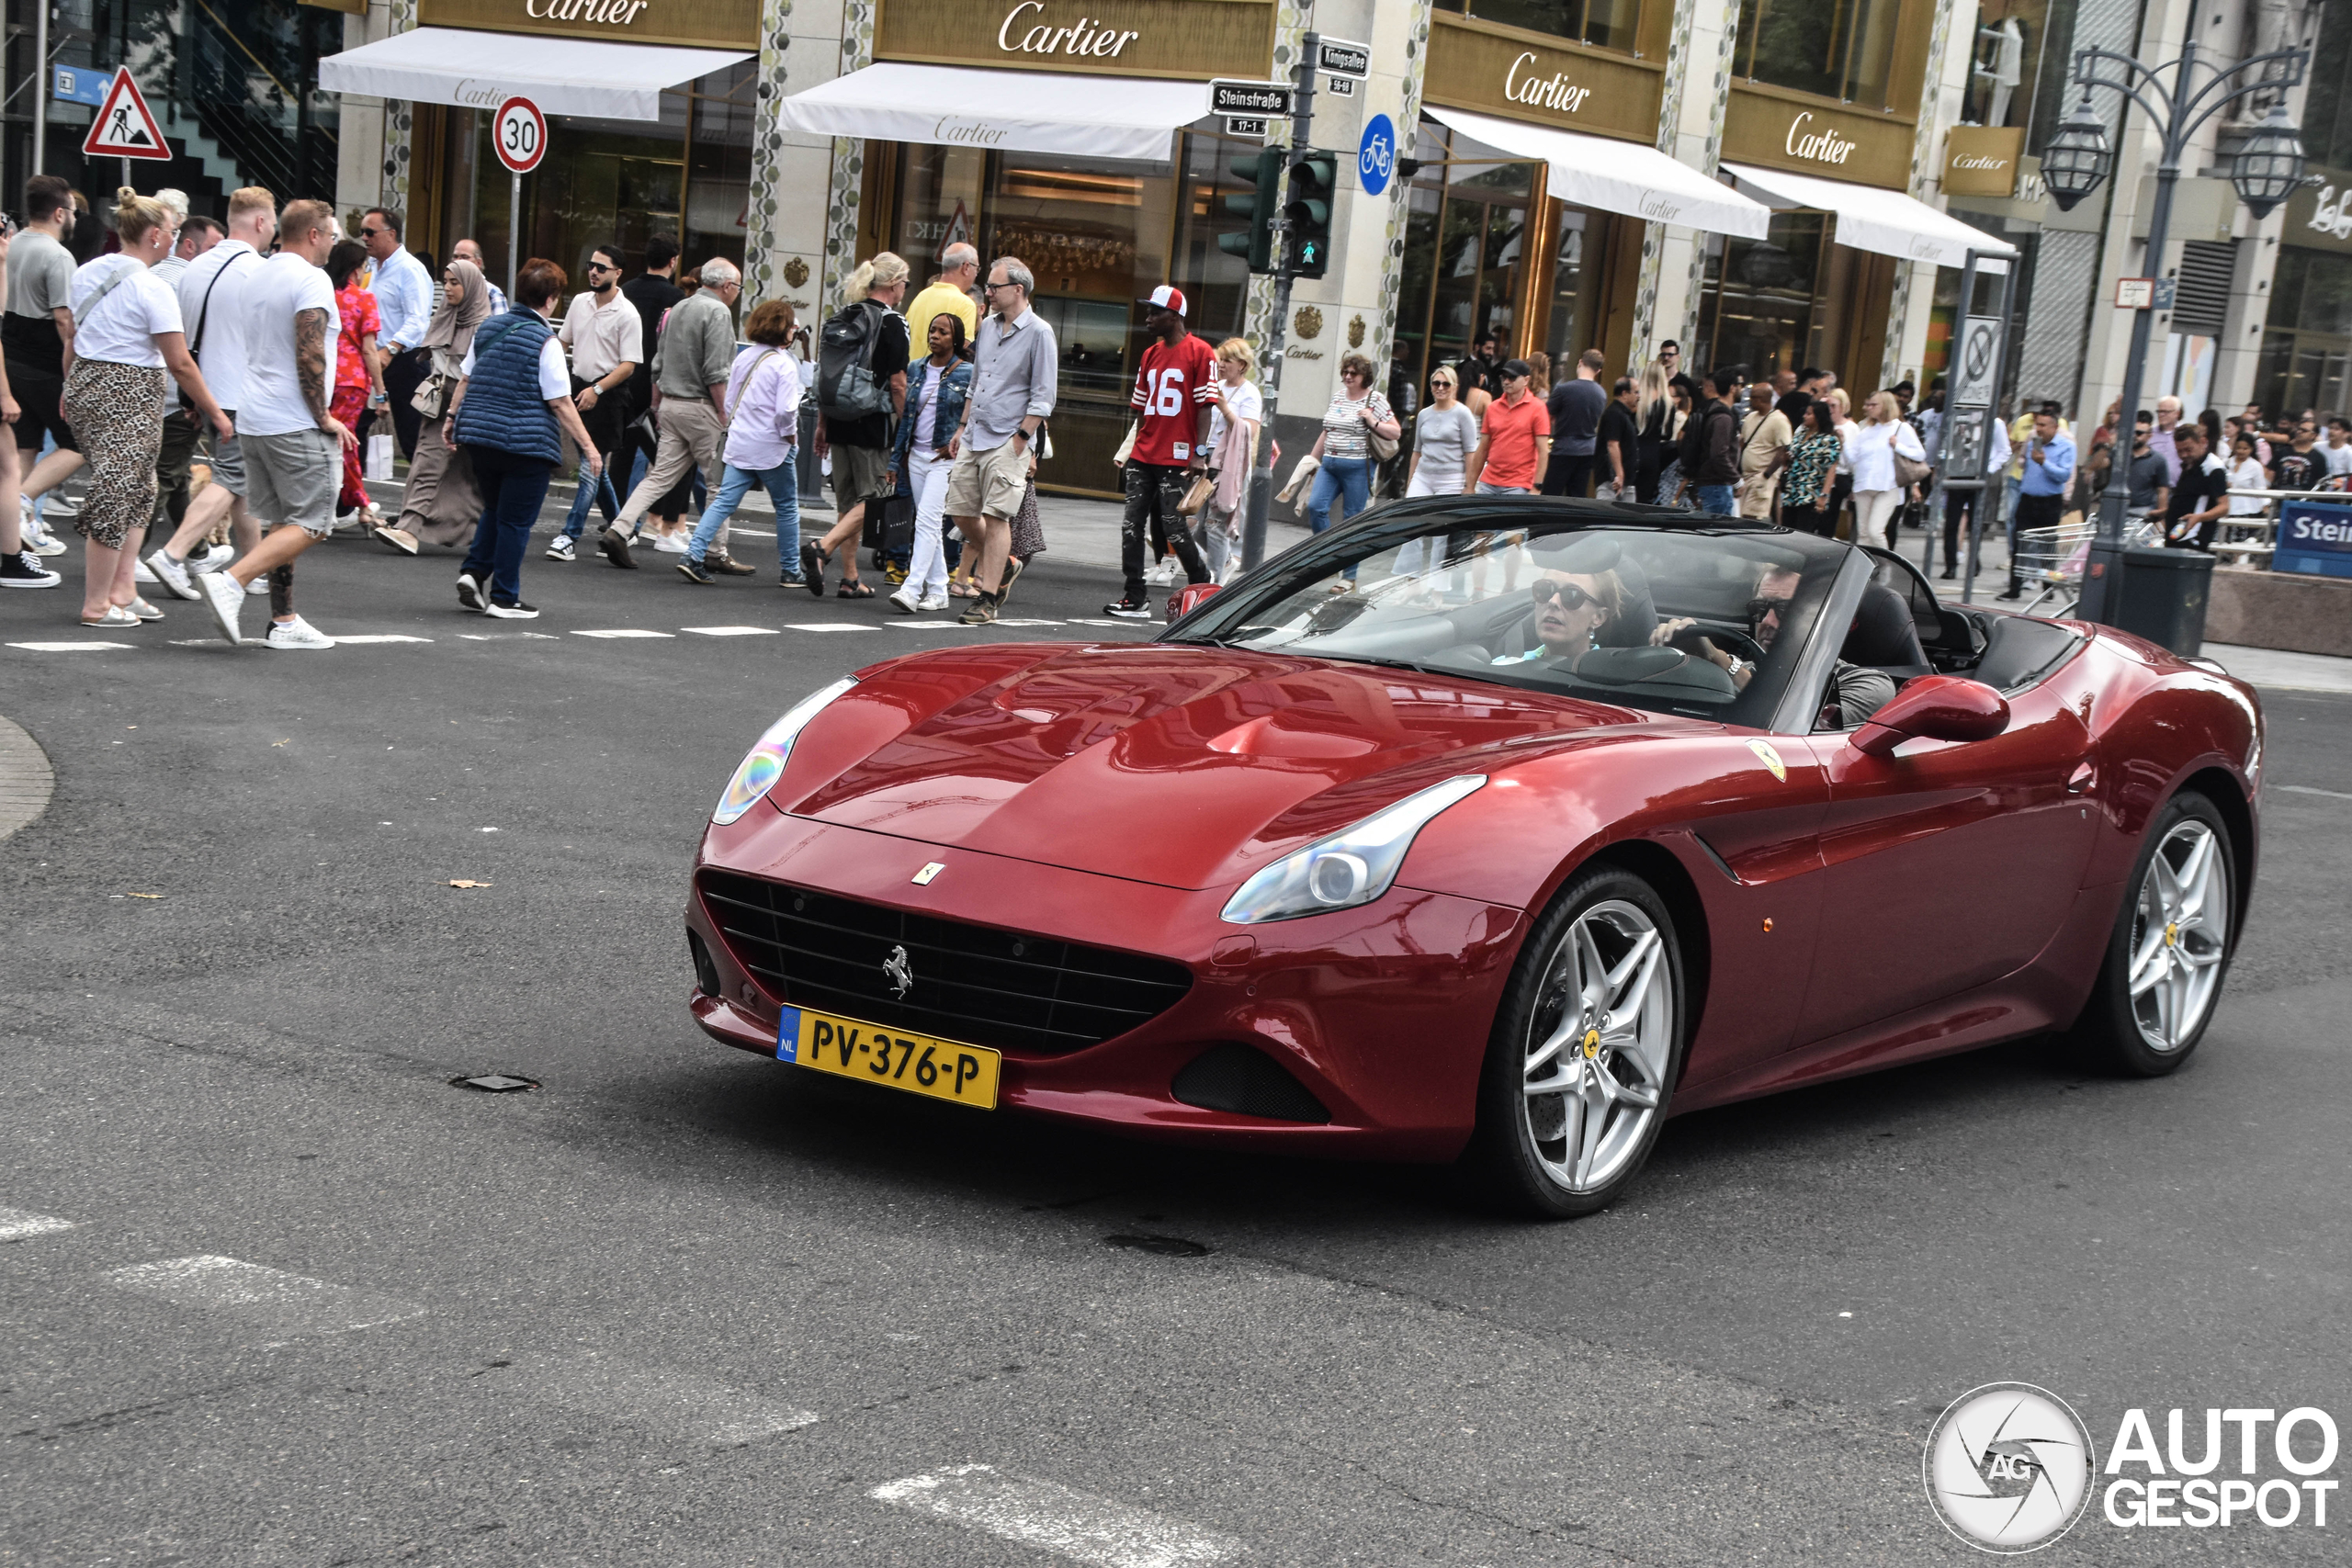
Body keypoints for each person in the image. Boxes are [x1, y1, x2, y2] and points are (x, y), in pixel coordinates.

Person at [60, 189, 232, 629]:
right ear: (155, 234)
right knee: (120, 492)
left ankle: (122, 590)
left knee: (139, 489)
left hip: (87, 382)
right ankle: (98, 602)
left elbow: (74, 337)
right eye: (172, 232)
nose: (174, 240)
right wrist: (214, 410)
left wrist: (69, 385)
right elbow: (179, 362)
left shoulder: (88, 272)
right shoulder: (151, 287)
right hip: (132, 391)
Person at [193, 198, 352, 649]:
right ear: (314, 235)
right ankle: (232, 581)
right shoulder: (311, 278)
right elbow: (310, 352)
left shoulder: (258, 272)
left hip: (255, 415)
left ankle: (284, 621)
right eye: (332, 235)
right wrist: (322, 415)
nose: (334, 244)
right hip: (294, 418)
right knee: (316, 522)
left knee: (286, 521)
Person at [435, 258, 603, 620]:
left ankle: (474, 571)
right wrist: (588, 447)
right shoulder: (547, 341)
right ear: (551, 299)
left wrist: (451, 418)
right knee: (515, 521)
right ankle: (504, 597)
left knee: (495, 509)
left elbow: (466, 379)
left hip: (480, 437)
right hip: (525, 444)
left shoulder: (488, 328)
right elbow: (559, 401)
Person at [142, 186, 274, 601]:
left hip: (201, 385)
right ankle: (172, 554)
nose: (271, 229)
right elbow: (266, 339)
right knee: (234, 479)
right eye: (270, 221)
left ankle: (251, 568)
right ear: (258, 222)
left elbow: (187, 335)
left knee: (241, 481)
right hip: (240, 390)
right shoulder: (258, 270)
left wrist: (192, 398)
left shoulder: (193, 267)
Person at [603, 255, 744, 570]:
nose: (737, 292)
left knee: (659, 477)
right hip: (702, 407)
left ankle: (619, 528)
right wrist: (724, 414)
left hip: (669, 404)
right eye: (737, 286)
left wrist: (656, 404)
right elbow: (716, 372)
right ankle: (715, 551)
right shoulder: (718, 312)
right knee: (718, 483)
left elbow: (658, 363)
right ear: (726, 286)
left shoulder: (679, 307)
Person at [945, 255, 1056, 626]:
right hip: (976, 433)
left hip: (1009, 439)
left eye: (994, 287)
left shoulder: (1040, 332)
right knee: (960, 511)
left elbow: (1044, 396)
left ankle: (987, 598)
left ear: (1018, 290)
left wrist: (1022, 438)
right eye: (989, 286)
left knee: (996, 517)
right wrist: (962, 427)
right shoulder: (989, 327)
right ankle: (1005, 563)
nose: (988, 293)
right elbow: (976, 382)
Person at [1653, 564, 1893, 726]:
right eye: (1759, 609)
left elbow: (1796, 723)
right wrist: (1668, 658)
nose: (1767, 621)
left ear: (1823, 618)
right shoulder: (1737, 668)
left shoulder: (1866, 684)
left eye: (1784, 610)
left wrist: (1720, 661)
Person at [801, 253, 911, 596]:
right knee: (876, 497)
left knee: (847, 501)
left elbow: (827, 375)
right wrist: (907, 425)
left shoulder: (844, 315)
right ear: (894, 284)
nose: (905, 289)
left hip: (837, 418)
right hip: (871, 421)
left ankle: (850, 578)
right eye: (905, 283)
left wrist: (822, 424)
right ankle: (824, 547)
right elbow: (897, 383)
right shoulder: (893, 322)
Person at [1106, 284, 1217, 618]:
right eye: (1149, 311)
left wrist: (1199, 453)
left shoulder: (1201, 352)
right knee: (1131, 525)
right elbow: (1140, 409)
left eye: (1156, 312)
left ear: (1175, 316)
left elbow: (1205, 406)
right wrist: (1132, 447)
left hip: (1177, 456)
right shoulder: (1149, 354)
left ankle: (1202, 582)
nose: (1149, 318)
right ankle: (1134, 596)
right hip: (1144, 453)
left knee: (1173, 526)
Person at [680, 299, 805, 589]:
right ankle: (790, 570)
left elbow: (731, 401)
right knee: (786, 506)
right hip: (772, 446)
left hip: (740, 442)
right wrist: (790, 435)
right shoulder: (784, 365)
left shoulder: (744, 357)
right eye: (792, 327)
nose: (794, 332)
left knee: (724, 502)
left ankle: (693, 554)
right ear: (783, 329)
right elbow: (786, 409)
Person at [387, 259, 492, 552]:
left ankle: (473, 531)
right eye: (445, 281)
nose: (447, 288)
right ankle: (409, 527)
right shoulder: (446, 313)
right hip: (439, 400)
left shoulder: (484, 326)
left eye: (454, 282)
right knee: (428, 461)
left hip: (469, 404)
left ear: (470, 285)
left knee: (466, 474)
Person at [548, 243, 641, 561]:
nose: (594, 271)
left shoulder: (628, 314)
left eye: (601, 268)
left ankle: (568, 535)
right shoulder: (580, 302)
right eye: (591, 265)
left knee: (590, 466)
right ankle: (621, 528)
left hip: (608, 395)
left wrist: (597, 390)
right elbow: (563, 341)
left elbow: (629, 365)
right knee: (596, 468)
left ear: (617, 273)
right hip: (578, 387)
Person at [6, 175, 89, 524]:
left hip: (11, 356)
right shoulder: (57, 256)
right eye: (73, 211)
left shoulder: (14, 243)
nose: (74, 218)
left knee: (24, 447)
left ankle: (13, 533)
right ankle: (23, 500)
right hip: (45, 363)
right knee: (79, 443)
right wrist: (75, 370)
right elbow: (63, 319)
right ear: (59, 213)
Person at [147, 209, 231, 548]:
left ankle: (195, 551)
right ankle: (130, 557)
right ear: (190, 247)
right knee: (166, 476)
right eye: (214, 249)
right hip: (177, 396)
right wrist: (210, 406)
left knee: (176, 473)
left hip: (149, 390)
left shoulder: (150, 273)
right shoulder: (191, 285)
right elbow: (189, 354)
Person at [878, 308, 968, 610]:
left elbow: (975, 416)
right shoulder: (916, 368)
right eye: (933, 330)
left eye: (943, 332)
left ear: (955, 339)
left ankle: (911, 589)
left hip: (945, 459)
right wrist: (896, 460)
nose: (935, 336)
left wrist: (959, 439)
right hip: (915, 456)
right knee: (927, 523)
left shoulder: (968, 373)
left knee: (928, 521)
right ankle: (940, 590)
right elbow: (906, 419)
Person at [323, 239, 388, 536]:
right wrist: (381, 391)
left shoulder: (323, 294)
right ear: (355, 269)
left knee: (327, 440)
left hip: (323, 377)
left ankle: (358, 505)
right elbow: (369, 350)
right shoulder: (364, 300)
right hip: (352, 381)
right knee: (344, 443)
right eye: (364, 267)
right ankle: (360, 503)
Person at [359, 208, 433, 458]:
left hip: (403, 362)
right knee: (356, 426)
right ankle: (350, 494)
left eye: (370, 232)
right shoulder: (369, 268)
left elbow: (417, 320)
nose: (365, 238)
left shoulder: (409, 269)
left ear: (391, 234)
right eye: (362, 232)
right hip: (370, 359)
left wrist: (390, 350)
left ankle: (425, 494)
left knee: (411, 436)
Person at [1200, 335, 1261, 581]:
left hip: (1229, 463)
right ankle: (1225, 560)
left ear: (1243, 365)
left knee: (1215, 524)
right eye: (1220, 360)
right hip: (1206, 459)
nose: (1222, 365)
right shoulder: (1217, 385)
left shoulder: (1250, 393)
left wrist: (1225, 408)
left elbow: (1250, 431)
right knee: (1191, 522)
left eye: (1227, 360)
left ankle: (1214, 580)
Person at [1998, 401, 2073, 597]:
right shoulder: (2032, 442)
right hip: (2028, 499)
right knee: (2020, 541)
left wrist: (2044, 463)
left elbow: (2064, 475)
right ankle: (2014, 588)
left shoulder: (2066, 446)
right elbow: (2022, 464)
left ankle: (2047, 587)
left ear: (2055, 427)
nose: (2038, 429)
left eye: (2043, 425)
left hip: (2050, 501)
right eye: (2037, 424)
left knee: (2047, 545)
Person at [1842, 389, 1927, 548]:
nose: (1868, 408)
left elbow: (1920, 455)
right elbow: (1853, 459)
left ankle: (1885, 566)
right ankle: (1866, 571)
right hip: (1863, 485)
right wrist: (1843, 442)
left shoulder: (1901, 428)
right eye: (1867, 405)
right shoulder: (1866, 431)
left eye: (1873, 405)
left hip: (1888, 486)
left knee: (1875, 531)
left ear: (1886, 406)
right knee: (1863, 534)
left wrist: (1898, 446)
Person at [1465, 357, 1544, 496]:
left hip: (1519, 484)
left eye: (1512, 378)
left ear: (1526, 380)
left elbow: (1543, 451)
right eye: (1504, 377)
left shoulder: (1538, 408)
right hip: (1489, 481)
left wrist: (1537, 487)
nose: (1506, 381)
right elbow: (1483, 448)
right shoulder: (1493, 407)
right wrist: (1470, 485)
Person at [1542, 349, 1607, 497]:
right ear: (1598, 370)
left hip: (1563, 448)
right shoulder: (1601, 393)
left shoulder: (1564, 389)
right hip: (1588, 450)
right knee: (1577, 495)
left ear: (1580, 363)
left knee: (1551, 494)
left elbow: (1546, 415)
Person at [2160, 423, 2231, 552]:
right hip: (2176, 533)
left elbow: (2224, 507)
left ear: (2202, 442)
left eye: (2188, 449)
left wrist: (2198, 518)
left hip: (2193, 538)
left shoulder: (2213, 468)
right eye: (2179, 451)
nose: (2184, 455)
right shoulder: (2190, 464)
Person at [1778, 400, 1843, 537]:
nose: (1804, 416)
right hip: (1792, 491)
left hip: (1810, 493)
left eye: (1809, 414)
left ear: (1819, 416)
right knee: (1786, 531)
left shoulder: (1829, 439)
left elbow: (1831, 468)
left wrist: (1824, 496)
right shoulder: (1800, 435)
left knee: (1803, 534)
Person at [1685, 368, 1744, 516]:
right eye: (1740, 385)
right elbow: (1718, 453)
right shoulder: (1723, 417)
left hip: (1711, 484)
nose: (1741, 389)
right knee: (1715, 532)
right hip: (1716, 485)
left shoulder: (1712, 410)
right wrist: (1737, 480)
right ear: (1732, 388)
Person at [1736, 379, 1791, 519]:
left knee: (1751, 517)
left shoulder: (1779, 420)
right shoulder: (1750, 417)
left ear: (1761, 399)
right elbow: (1742, 443)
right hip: (1745, 477)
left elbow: (1782, 451)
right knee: (1740, 516)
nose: (1749, 401)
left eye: (1753, 397)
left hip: (1760, 475)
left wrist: (1766, 475)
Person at [905, 243, 979, 345]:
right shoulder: (965, 304)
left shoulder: (920, 297)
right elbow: (962, 351)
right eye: (976, 268)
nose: (976, 274)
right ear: (966, 267)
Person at [1633, 359, 1675, 503]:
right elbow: (1667, 434)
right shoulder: (1668, 404)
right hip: (1653, 455)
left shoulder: (1638, 400)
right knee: (1644, 500)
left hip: (1634, 452)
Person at [1594, 376, 1639, 501]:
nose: (1638, 396)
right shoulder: (1614, 414)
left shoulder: (1626, 415)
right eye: (1636, 392)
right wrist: (1619, 474)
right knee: (1606, 517)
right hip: (1612, 481)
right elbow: (1612, 444)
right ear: (1624, 394)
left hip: (1627, 481)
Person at [2120, 413, 2169, 524]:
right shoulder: (2119, 454)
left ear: (2149, 436)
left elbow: (2162, 491)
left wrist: (2161, 518)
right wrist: (2107, 445)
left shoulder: (2158, 460)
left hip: (2141, 511)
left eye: (2139, 433)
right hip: (2116, 507)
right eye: (2132, 432)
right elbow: (2101, 464)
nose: (2134, 436)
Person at [449, 239, 509, 316]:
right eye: (455, 257)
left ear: (478, 263)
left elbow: (501, 326)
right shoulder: (449, 291)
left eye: (464, 257)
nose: (458, 261)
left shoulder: (492, 294)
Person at [2269, 418, 2326, 495]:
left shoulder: (2318, 457)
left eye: (2304, 430)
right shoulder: (2283, 451)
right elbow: (2270, 474)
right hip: (2278, 494)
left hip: (2302, 498)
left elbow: (2320, 482)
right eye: (2298, 429)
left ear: (2313, 435)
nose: (2299, 432)